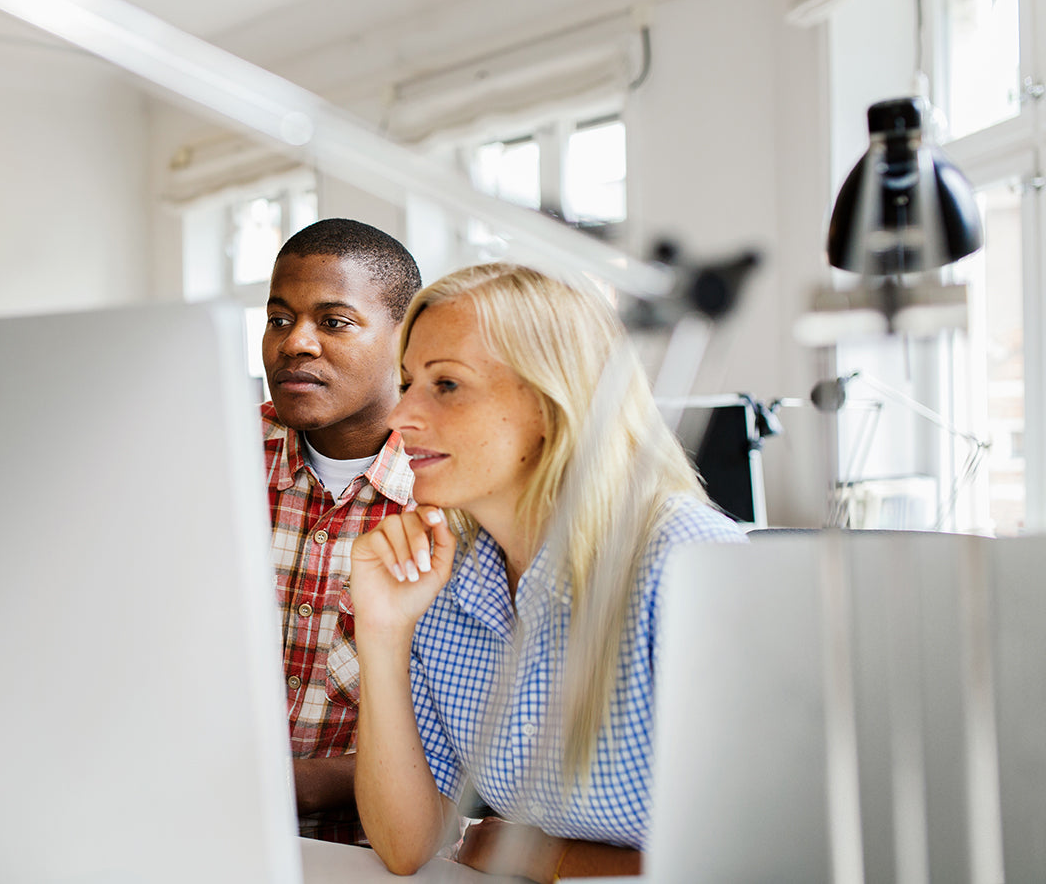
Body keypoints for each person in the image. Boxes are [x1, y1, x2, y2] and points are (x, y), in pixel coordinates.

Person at [350, 263, 747, 880]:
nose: (400, 416)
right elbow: (407, 846)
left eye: (446, 385)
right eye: (406, 382)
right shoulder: (445, 579)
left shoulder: (687, 566)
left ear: (551, 400)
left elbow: (761, 852)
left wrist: (542, 855)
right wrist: (381, 633)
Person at [261, 218, 422, 845]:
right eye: (279, 319)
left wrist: (279, 784)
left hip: (374, 855)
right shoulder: (206, 452)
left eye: (334, 322)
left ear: (404, 340)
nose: (296, 343)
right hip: (189, 834)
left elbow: (461, 750)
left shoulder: (449, 496)